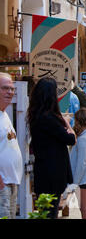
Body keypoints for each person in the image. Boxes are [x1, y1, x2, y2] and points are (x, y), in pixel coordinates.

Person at [27, 77, 77, 219]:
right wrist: (66, 123)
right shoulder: (49, 118)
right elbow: (71, 139)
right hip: (53, 172)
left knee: (46, 210)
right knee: (51, 211)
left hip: (43, 170)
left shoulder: (35, 115)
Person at [0, 73, 23, 219]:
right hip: (3, 184)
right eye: (5, 88)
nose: (10, 92)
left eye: (12, 89)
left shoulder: (4, 114)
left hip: (11, 182)